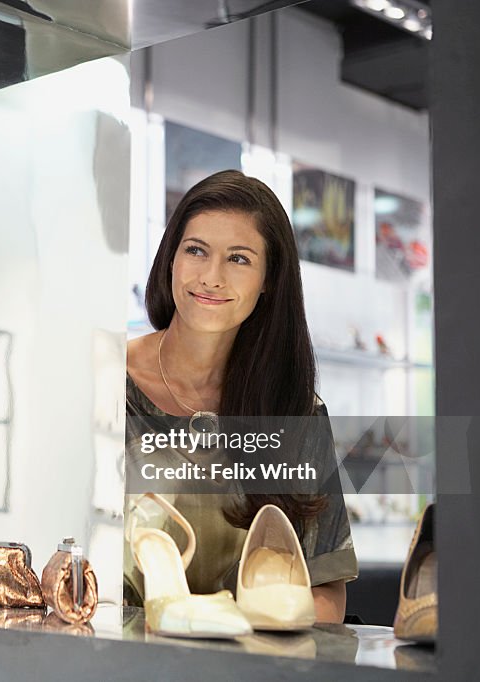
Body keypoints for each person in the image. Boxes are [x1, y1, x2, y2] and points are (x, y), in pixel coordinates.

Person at [124, 170, 357, 624]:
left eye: (239, 259)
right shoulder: (104, 381)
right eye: (196, 251)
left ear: (270, 279)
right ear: (171, 257)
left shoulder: (295, 411)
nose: (211, 277)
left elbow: (325, 592)